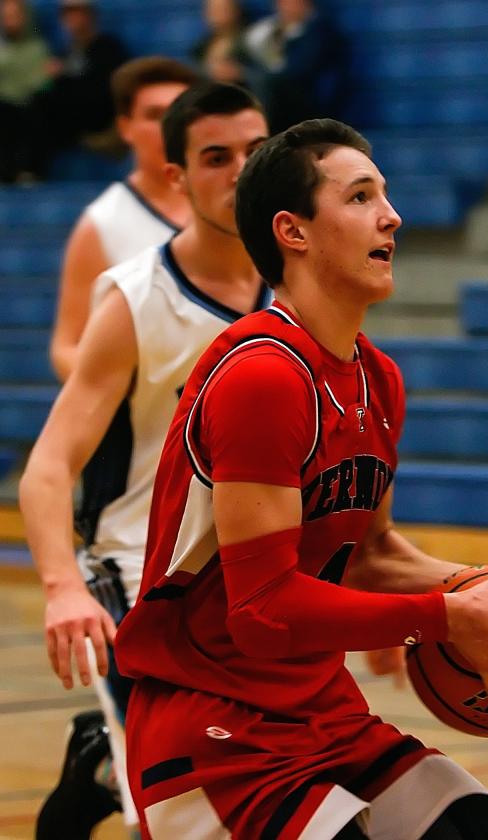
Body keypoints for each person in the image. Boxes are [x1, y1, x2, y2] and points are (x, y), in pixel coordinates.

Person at [115, 118, 488, 839]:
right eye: (360, 196)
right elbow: (263, 611)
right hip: (213, 729)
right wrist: (446, 617)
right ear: (293, 232)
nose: (391, 215)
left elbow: (372, 555)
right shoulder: (262, 375)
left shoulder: (378, 380)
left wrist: (485, 591)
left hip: (320, 712)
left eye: (385, 195)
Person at [19, 81, 270, 839]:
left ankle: (102, 760)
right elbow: (48, 467)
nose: (240, 172)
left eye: (256, 154)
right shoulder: (134, 295)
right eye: (216, 157)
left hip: (256, 578)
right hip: (141, 575)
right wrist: (64, 587)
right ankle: (119, 762)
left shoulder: (305, 285)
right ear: (176, 177)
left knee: (262, 788)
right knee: (184, 816)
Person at [50, 55, 199, 382]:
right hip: (151, 423)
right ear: (125, 127)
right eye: (155, 115)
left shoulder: (235, 208)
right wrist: (136, 388)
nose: (169, 127)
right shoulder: (101, 224)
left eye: (180, 114)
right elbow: (65, 347)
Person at [27, 0, 128, 177]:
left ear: (90, 15)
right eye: (67, 14)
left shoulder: (108, 47)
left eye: (78, 12)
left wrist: (64, 77)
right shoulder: (65, 53)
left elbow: (105, 89)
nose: (73, 19)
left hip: (101, 117)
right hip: (70, 123)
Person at [242, 0, 346, 132]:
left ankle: (261, 133)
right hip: (279, 95)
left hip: (306, 99)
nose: (282, 6)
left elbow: (299, 71)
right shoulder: (267, 29)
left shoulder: (320, 32)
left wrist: (248, 73)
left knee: (263, 81)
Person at [0, 0, 54, 182]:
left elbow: (43, 82)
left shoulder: (38, 48)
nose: (11, 21)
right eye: (6, 16)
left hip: (30, 107)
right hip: (4, 107)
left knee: (39, 110)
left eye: (15, 16)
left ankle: (29, 173)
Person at [191, 0, 247, 86]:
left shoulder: (250, 41)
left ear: (236, 10)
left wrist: (240, 73)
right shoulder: (201, 45)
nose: (217, 14)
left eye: (224, 9)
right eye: (213, 10)